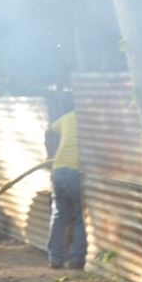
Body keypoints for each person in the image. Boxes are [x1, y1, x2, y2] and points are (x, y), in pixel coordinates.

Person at [45, 101, 86, 269]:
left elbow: (49, 131)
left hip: (58, 168)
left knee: (59, 214)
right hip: (73, 172)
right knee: (80, 216)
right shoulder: (90, 122)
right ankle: (76, 260)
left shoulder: (67, 117)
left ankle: (55, 259)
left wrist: (50, 155)